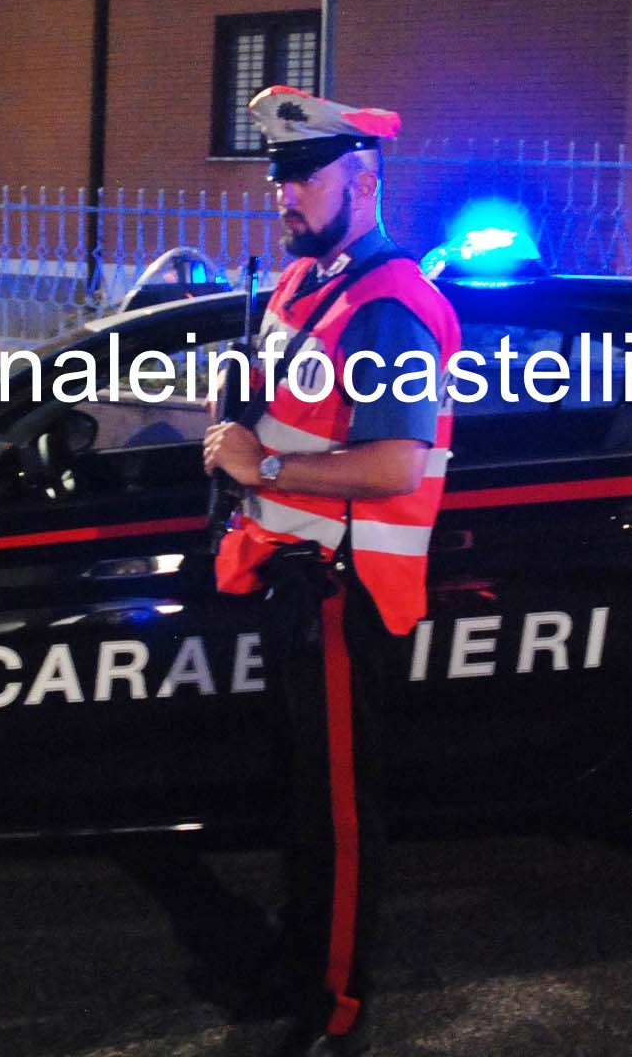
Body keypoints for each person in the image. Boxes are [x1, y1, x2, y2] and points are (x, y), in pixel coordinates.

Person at [203, 85, 462, 1056]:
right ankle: (301, 961)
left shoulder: (390, 302)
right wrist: (239, 437)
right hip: (295, 582)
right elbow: (290, 410)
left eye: (302, 177)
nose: (284, 196)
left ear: (362, 177)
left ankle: (339, 1001)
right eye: (278, 179)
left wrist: (260, 464)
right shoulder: (307, 286)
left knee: (342, 817)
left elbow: (394, 462)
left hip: (344, 594)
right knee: (306, 802)